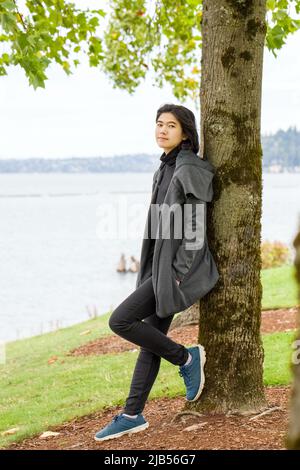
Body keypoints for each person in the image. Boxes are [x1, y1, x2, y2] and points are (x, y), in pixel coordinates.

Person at [94, 104, 219, 442]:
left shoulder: (189, 169)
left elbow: (194, 230)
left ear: (186, 134)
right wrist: (152, 269)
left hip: (173, 272)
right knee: (150, 343)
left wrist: (177, 274)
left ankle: (186, 358)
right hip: (156, 268)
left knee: (120, 321)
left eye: (171, 126)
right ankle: (132, 414)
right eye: (159, 124)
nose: (162, 130)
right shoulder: (165, 168)